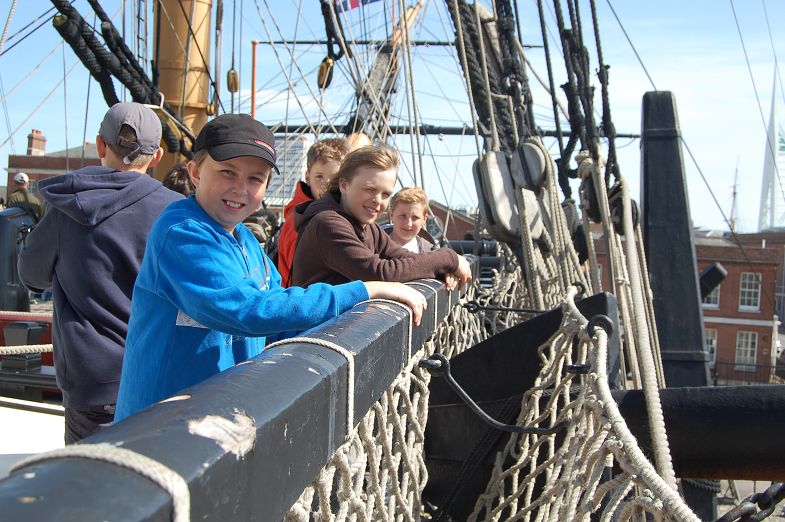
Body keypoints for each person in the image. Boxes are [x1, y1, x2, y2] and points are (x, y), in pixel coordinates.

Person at [114, 114, 426, 421]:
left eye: (255, 178)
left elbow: (279, 321)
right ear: (195, 173)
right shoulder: (181, 232)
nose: (240, 188)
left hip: (217, 414)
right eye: (227, 172)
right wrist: (365, 290)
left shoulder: (246, 241)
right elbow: (248, 310)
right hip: (162, 425)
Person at [17, 102, 183, 443]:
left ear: (100, 145)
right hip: (161, 371)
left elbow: (32, 276)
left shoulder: (66, 206)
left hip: (93, 381)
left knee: (94, 472)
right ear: (157, 156)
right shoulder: (176, 212)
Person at [290, 144, 472, 288]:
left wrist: (444, 268)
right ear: (344, 185)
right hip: (320, 325)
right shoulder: (327, 224)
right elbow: (379, 273)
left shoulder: (369, 227)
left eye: (385, 194)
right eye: (369, 189)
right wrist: (449, 258)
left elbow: (402, 257)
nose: (378, 200)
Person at [277, 139, 347, 286]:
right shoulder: (298, 221)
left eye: (334, 178)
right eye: (319, 177)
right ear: (308, 177)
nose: (326, 184)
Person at [386, 187, 437, 253]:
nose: (408, 224)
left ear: (424, 218)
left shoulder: (431, 253)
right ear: (391, 215)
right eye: (402, 216)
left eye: (415, 217)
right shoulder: (374, 244)